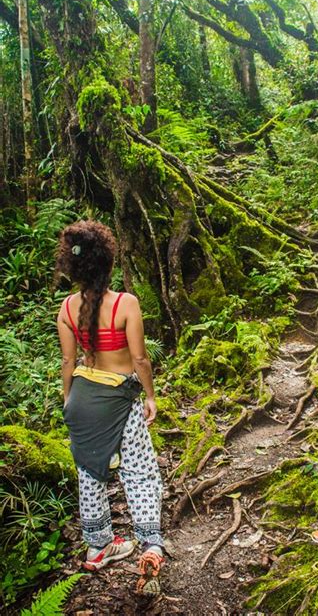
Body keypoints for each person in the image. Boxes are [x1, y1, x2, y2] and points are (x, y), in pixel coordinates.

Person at [55, 220, 165, 592]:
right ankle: (149, 542)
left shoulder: (67, 309)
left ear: (73, 267)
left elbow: (68, 364)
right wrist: (149, 396)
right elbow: (140, 359)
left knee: (90, 473)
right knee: (140, 472)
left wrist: (69, 400)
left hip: (83, 400)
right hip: (120, 401)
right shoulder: (125, 304)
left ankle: (98, 547)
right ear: (108, 261)